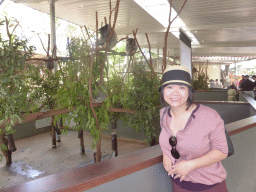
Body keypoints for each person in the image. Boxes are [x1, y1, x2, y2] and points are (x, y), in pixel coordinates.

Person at [159, 65, 228, 192]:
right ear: (163, 91)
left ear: (189, 91)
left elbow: (222, 150)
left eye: (181, 87)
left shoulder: (209, 116)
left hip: (209, 186)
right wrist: (166, 153)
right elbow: (168, 138)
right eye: (169, 87)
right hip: (178, 184)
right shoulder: (163, 114)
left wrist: (191, 165)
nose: (175, 92)